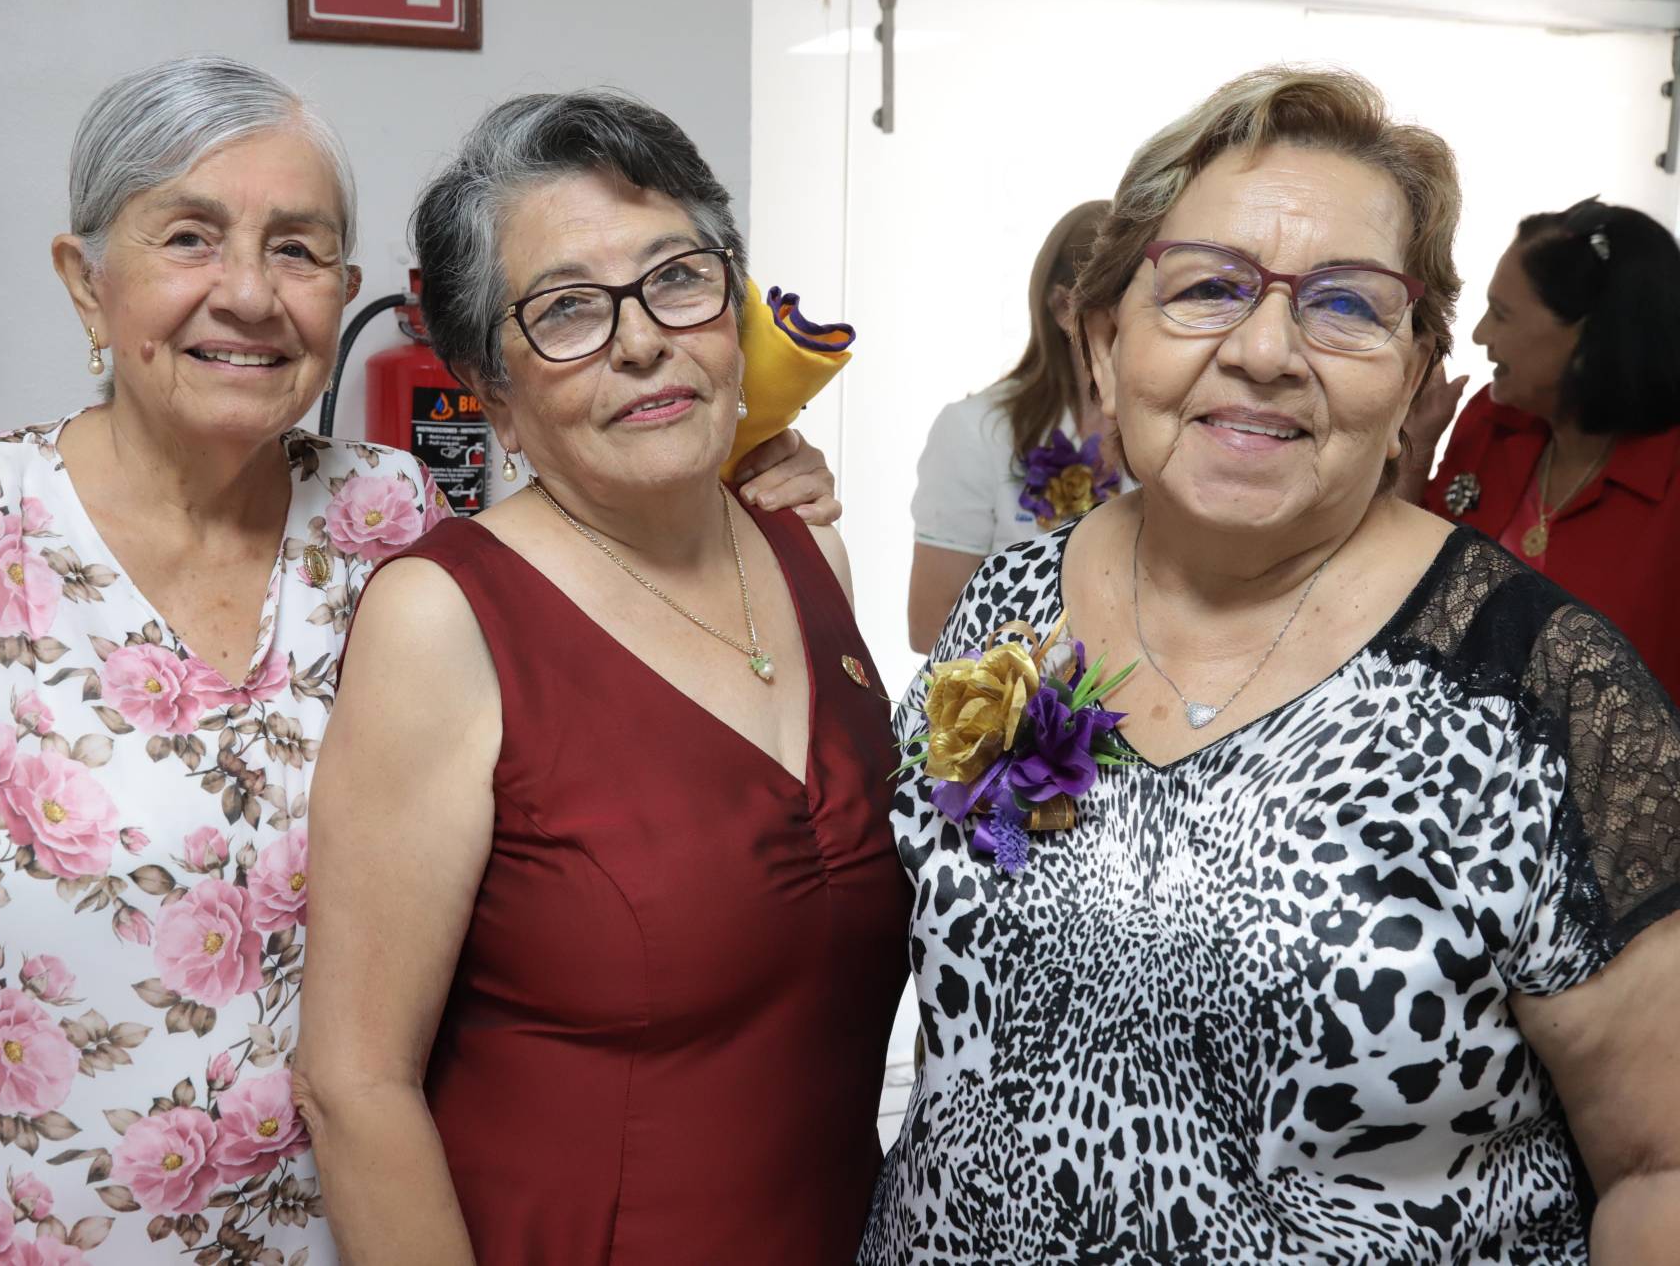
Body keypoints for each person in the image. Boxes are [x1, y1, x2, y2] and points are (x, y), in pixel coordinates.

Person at [0, 56, 838, 1266]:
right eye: (189, 237)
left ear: (342, 294)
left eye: (296, 250)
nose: (246, 293)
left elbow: (591, 603)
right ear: (87, 284)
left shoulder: (390, 520)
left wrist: (737, 489)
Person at [862, 67, 1680, 1265]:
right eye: (1205, 288)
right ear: (1104, 338)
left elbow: (1658, 1164)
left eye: (1343, 307)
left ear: (1411, 372)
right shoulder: (1010, 605)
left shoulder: (1540, 694)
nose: (1262, 351)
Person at [296, 90, 909, 1265]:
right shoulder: (445, 619)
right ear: (490, 391)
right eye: (567, 310)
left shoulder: (807, 548)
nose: (641, 340)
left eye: (676, 277)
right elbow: (354, 1081)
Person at [1397, 198, 1680, 699]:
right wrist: (1416, 449)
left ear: (1592, 340)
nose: (1482, 335)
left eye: (1502, 315)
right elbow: (1401, 583)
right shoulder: (1492, 417)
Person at [907, 200, 1124, 652]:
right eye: (1117, 304)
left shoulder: (1178, 433)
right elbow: (930, 625)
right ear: (1063, 306)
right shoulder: (975, 431)